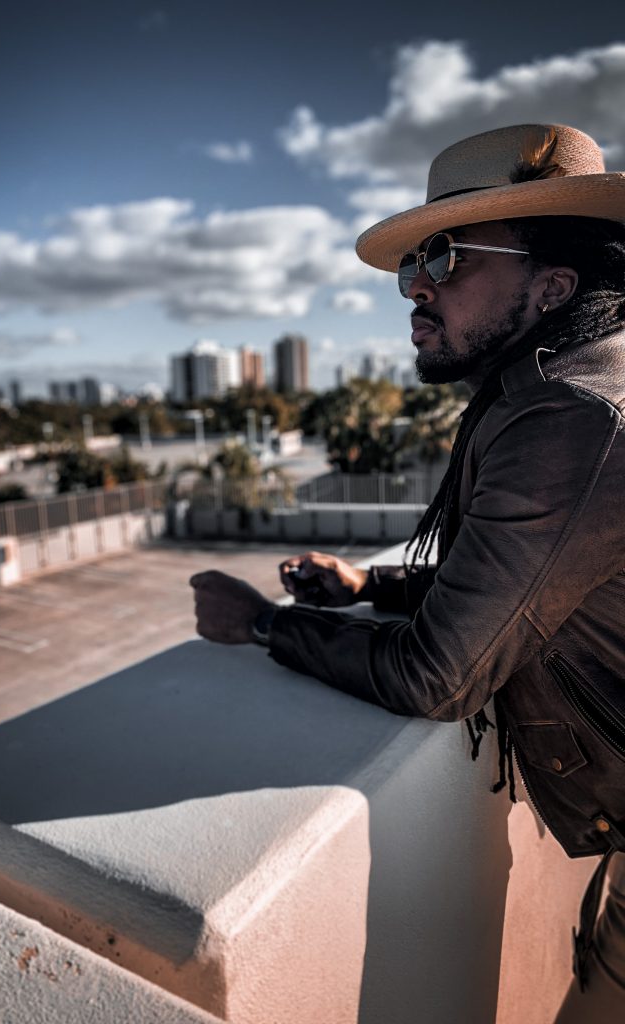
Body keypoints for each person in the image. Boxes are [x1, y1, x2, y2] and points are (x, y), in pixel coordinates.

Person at [190, 123, 625, 1021]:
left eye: (448, 256)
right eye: (412, 263)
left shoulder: (569, 418)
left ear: (553, 285)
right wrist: (368, 588)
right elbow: (526, 583)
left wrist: (263, 625)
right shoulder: (579, 378)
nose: (417, 288)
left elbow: (436, 676)